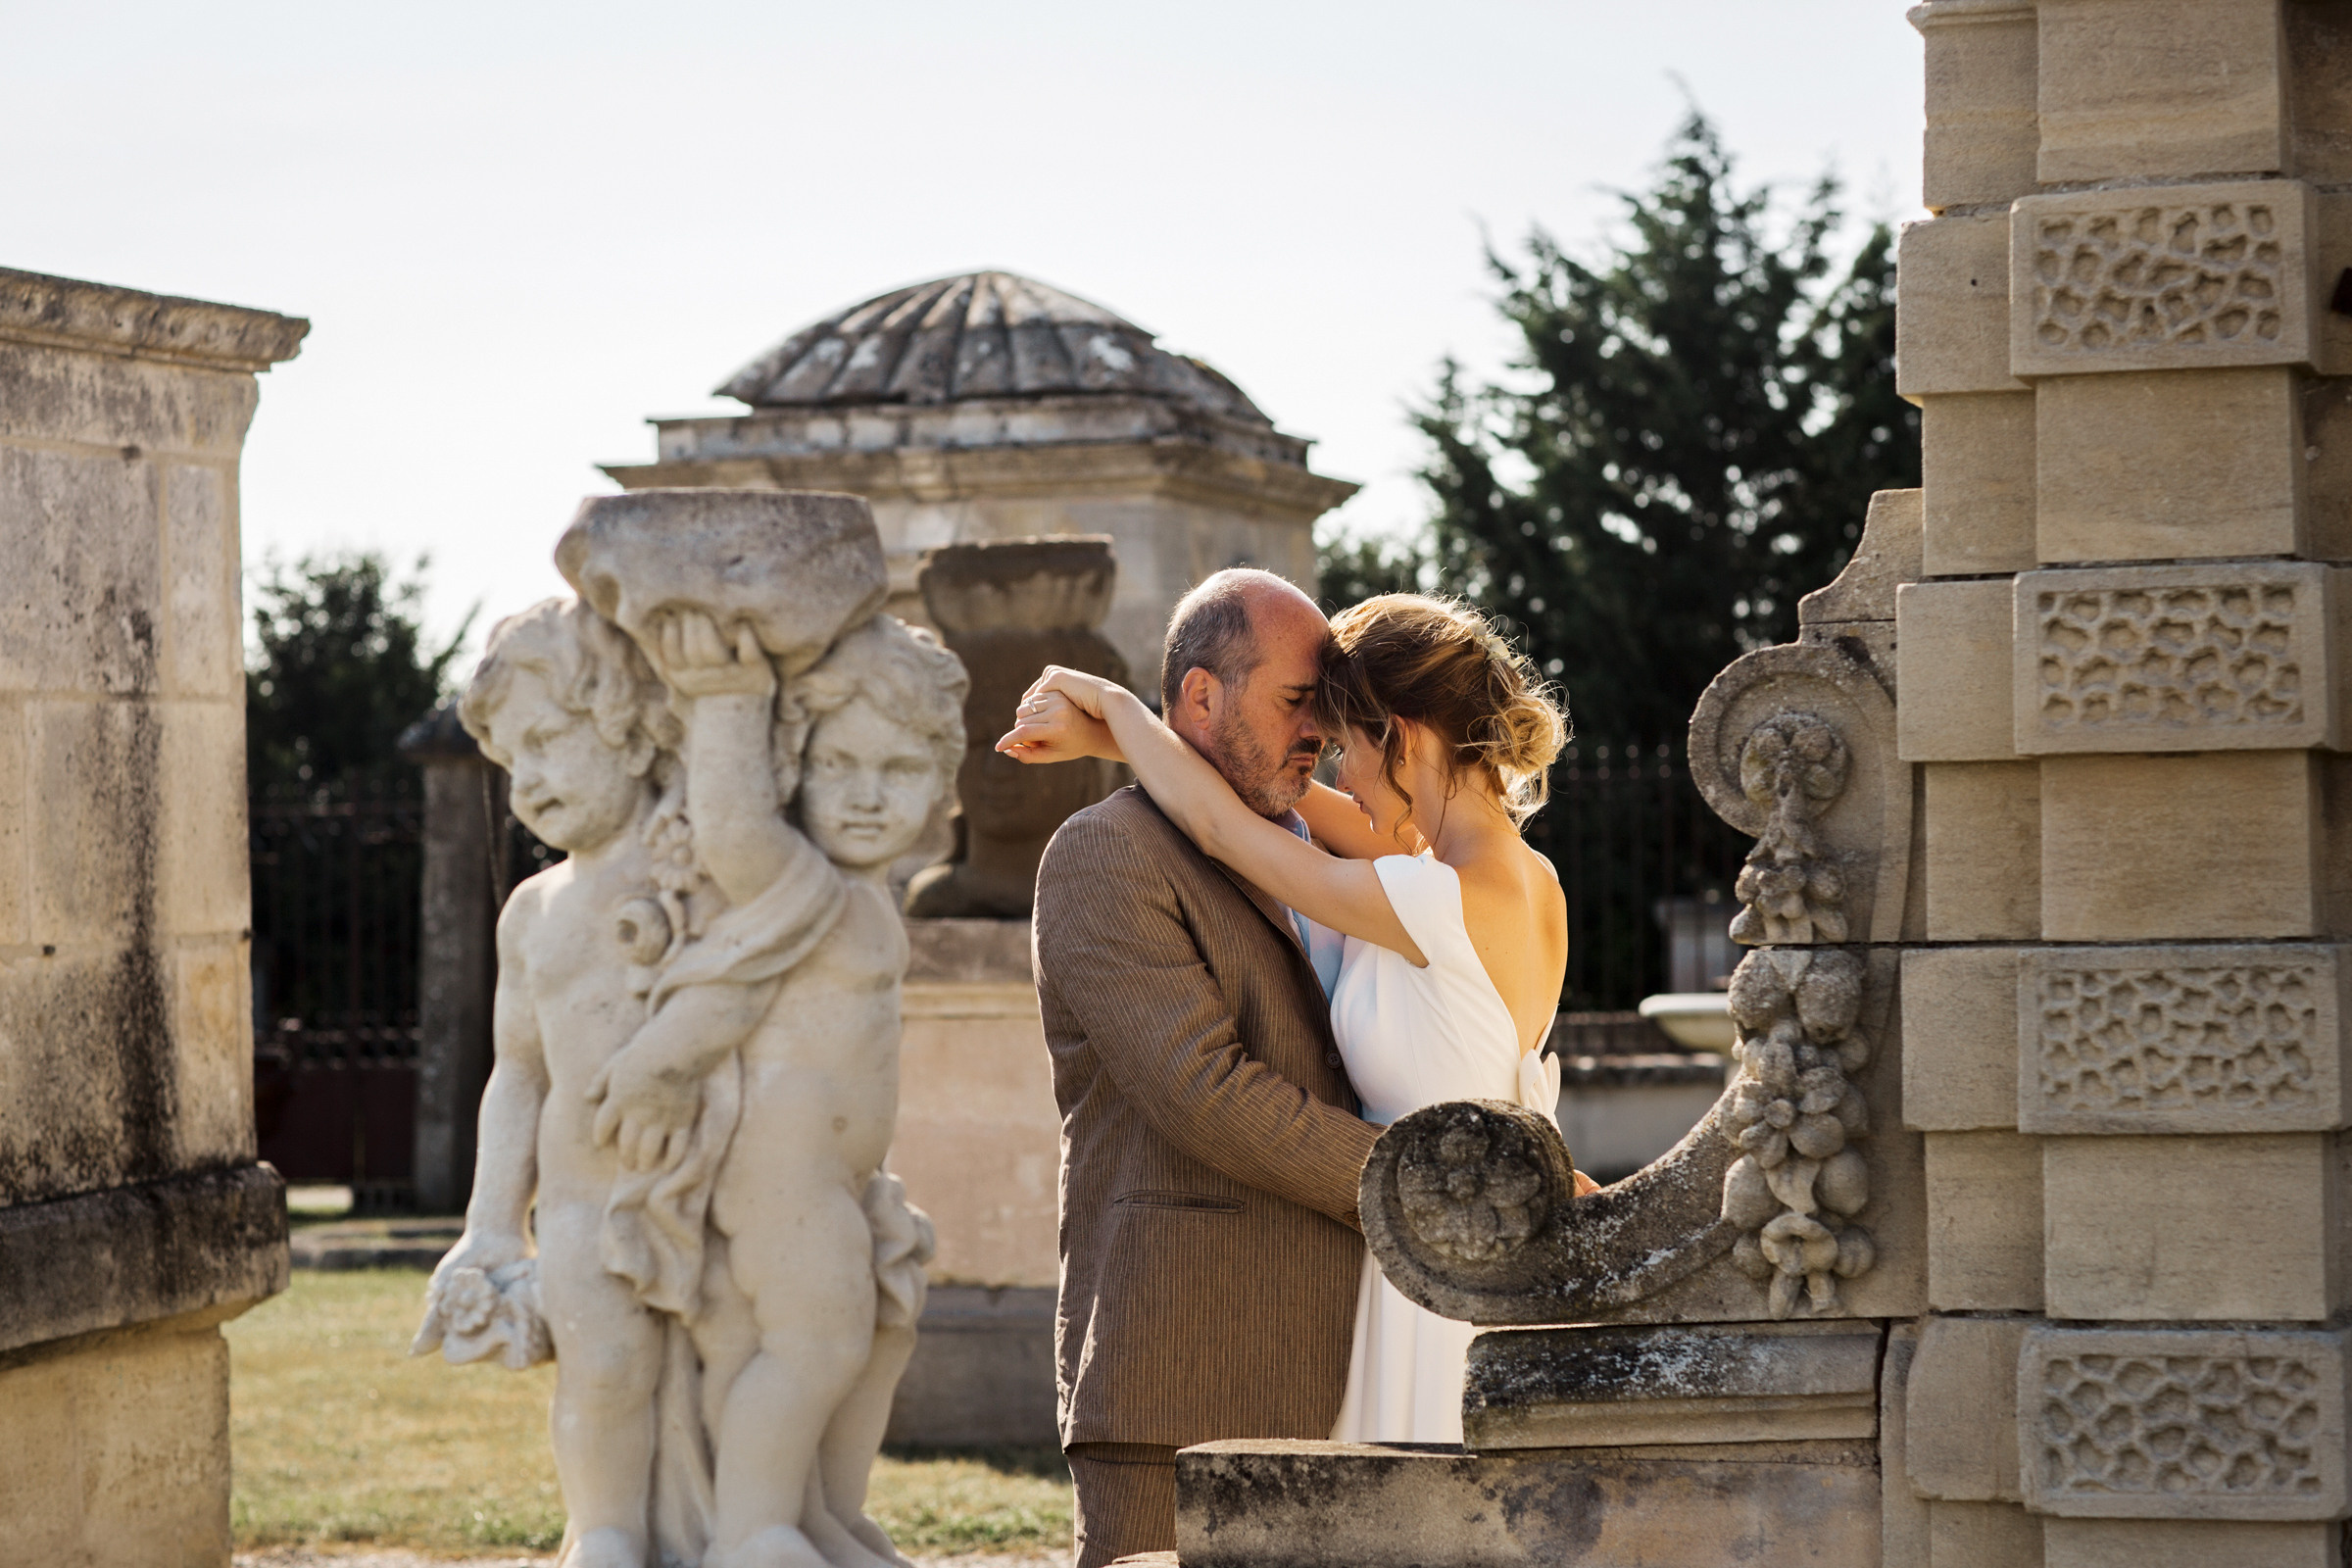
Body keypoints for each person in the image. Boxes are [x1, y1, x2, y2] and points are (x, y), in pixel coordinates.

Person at [1000, 588, 1589, 1449]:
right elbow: (1278, 796)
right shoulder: (1522, 879)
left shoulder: (1426, 896)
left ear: (1403, 738)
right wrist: (1130, 741)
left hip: (1424, 1281)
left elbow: (1219, 826)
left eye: (1348, 747)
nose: (1335, 775)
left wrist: (1117, 706)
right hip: (1476, 1268)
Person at [1021, 569, 1384, 1568]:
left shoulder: (1323, 857)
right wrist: (1425, 1181)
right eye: (1298, 700)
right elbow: (1207, 1092)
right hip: (1184, 1373)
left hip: (1367, 1369)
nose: (1320, 732)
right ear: (1200, 696)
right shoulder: (1104, 854)